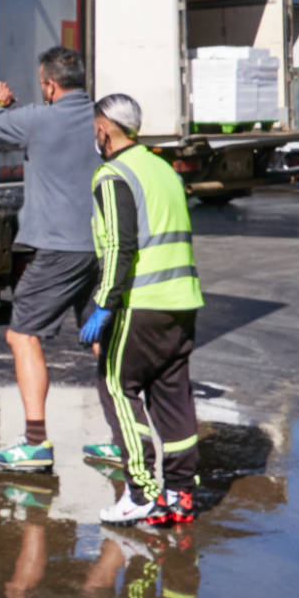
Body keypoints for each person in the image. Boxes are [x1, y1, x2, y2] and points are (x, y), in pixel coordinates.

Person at [79, 92, 205, 527]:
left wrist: (103, 304)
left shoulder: (112, 174)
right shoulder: (163, 169)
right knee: (172, 396)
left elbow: (119, 245)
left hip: (141, 303)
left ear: (103, 129)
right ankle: (180, 494)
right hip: (181, 302)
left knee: (118, 387)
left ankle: (142, 493)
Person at [0, 45, 100, 472]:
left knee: (22, 334)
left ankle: (35, 443)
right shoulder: (101, 120)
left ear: (49, 85)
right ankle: (129, 438)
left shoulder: (38, 120)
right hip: (100, 247)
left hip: (58, 249)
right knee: (102, 337)